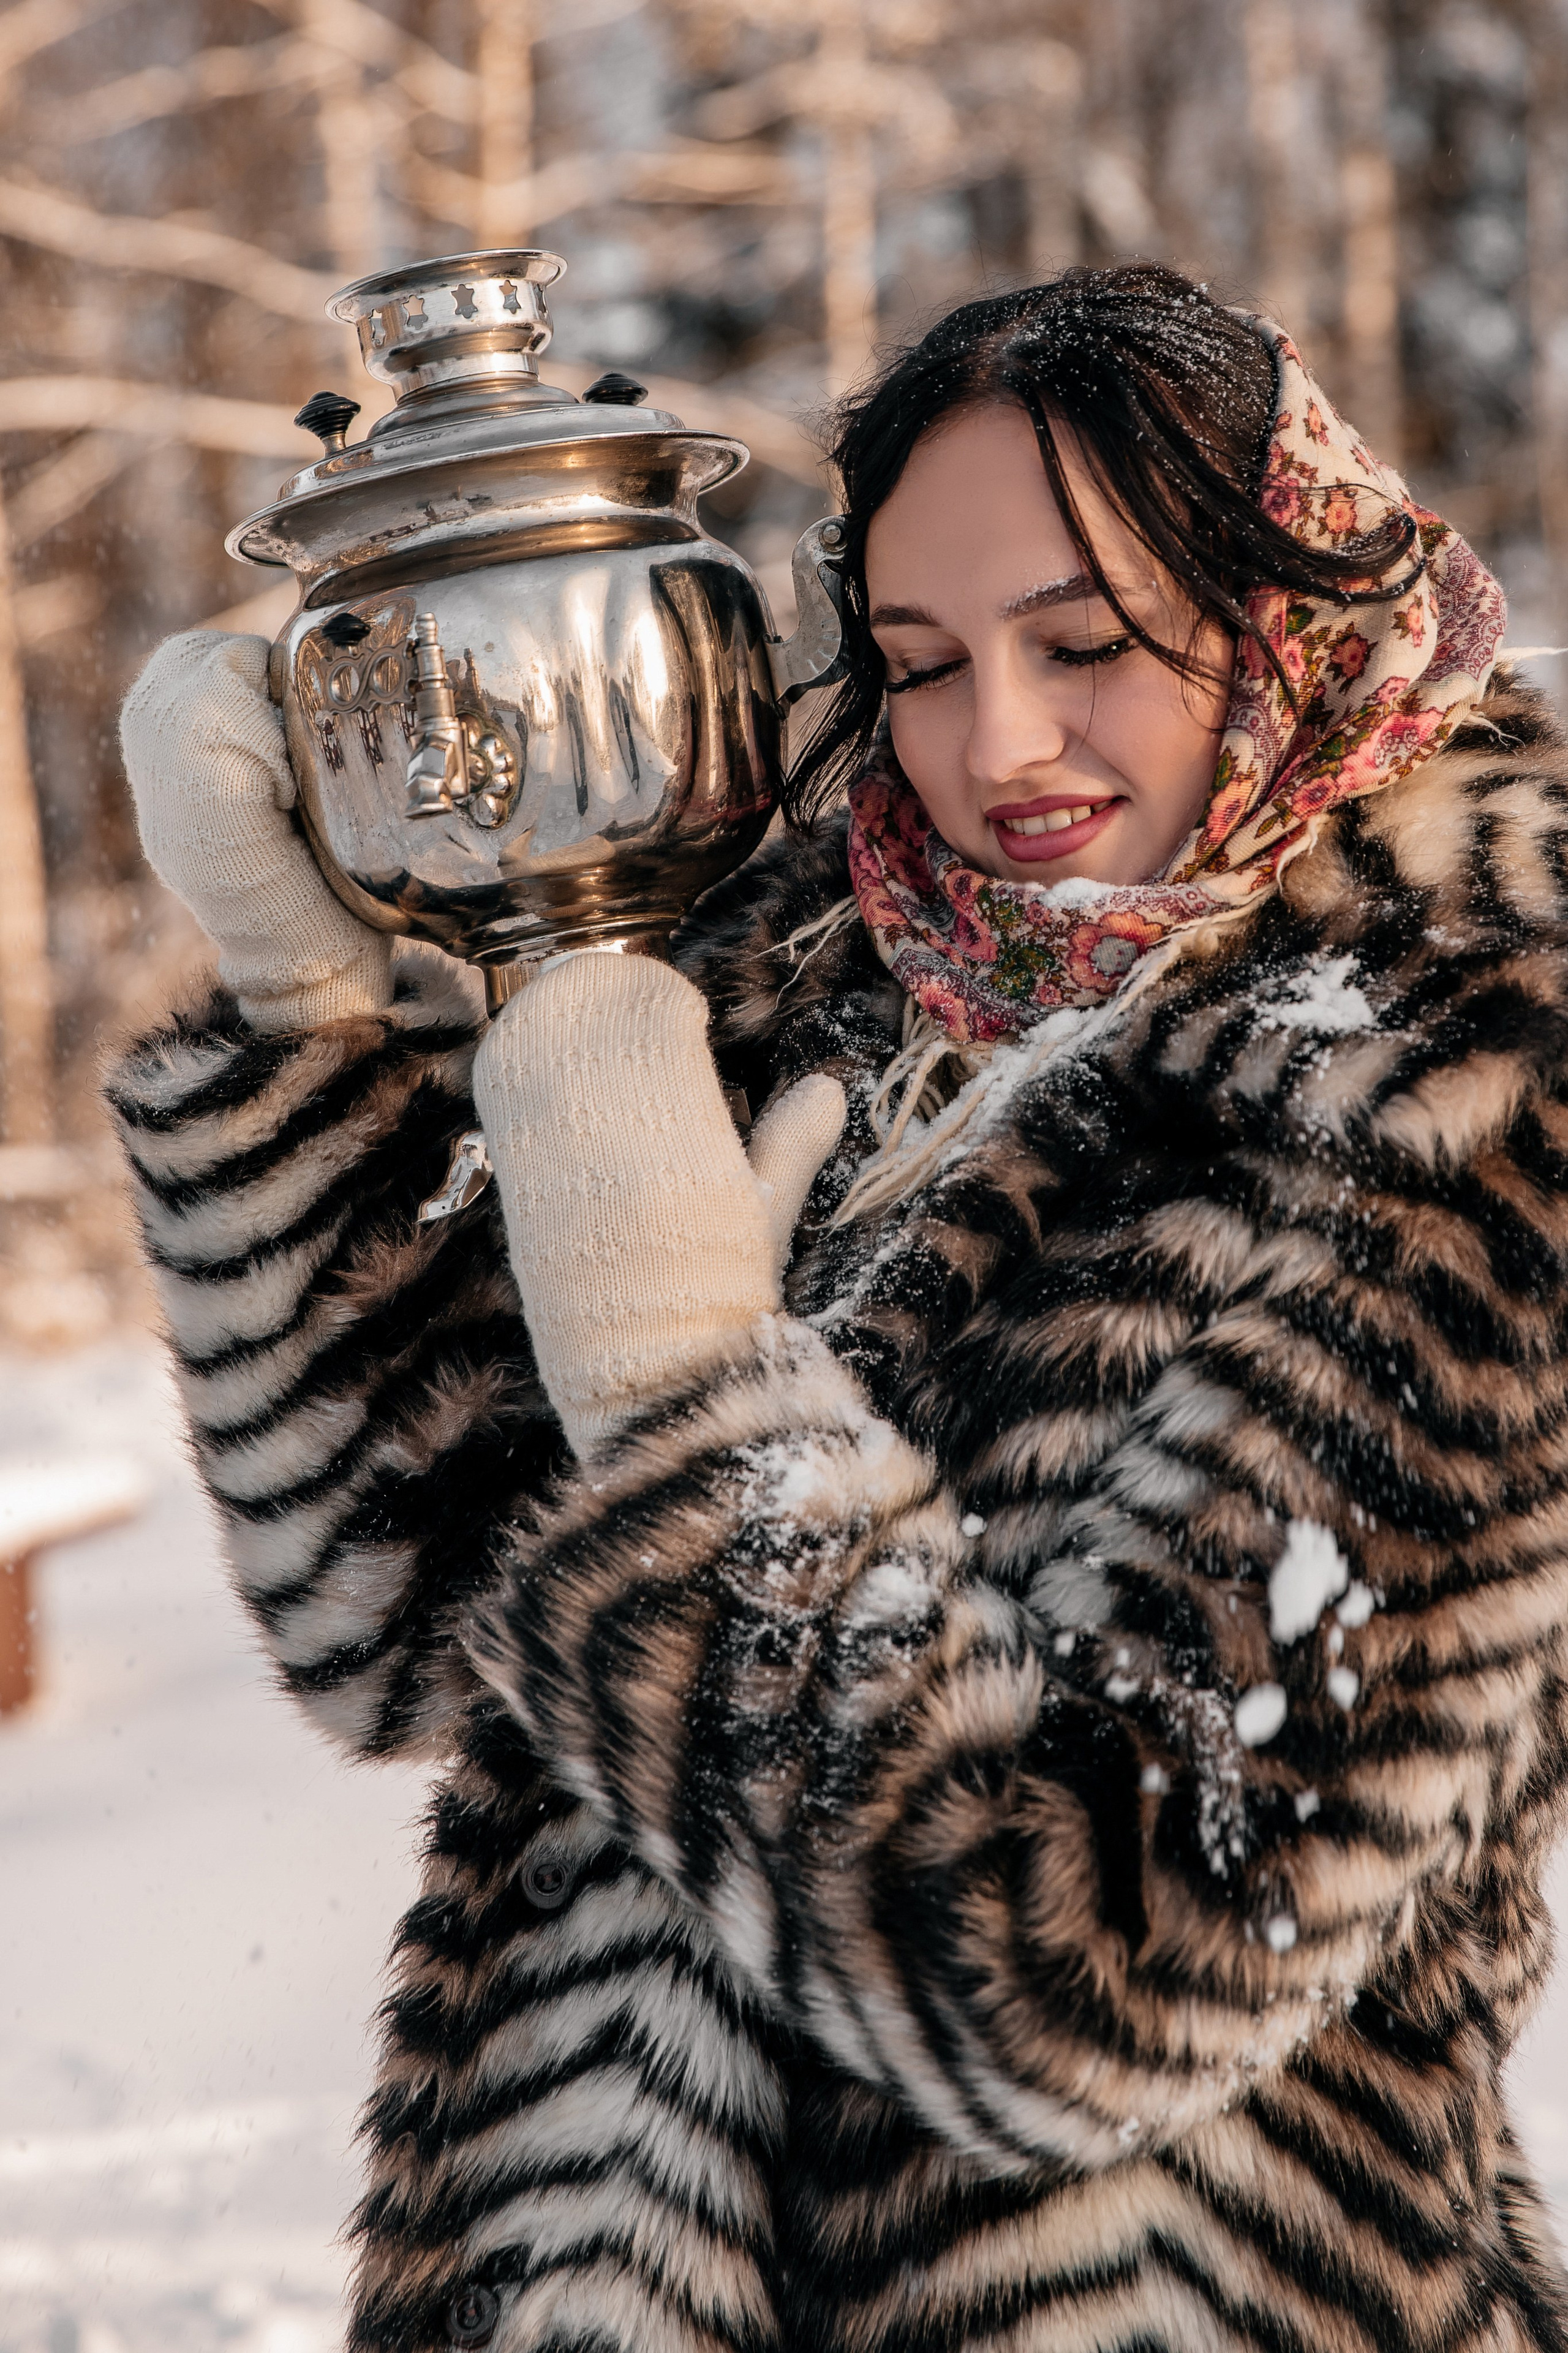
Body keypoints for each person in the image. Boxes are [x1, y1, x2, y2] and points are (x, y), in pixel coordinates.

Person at [108, 265, 1568, 2353]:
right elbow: (391, 1623)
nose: (1002, 743)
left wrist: (698, 1388)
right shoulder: (823, 993)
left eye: (1089, 644)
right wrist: (313, 1005)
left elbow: (1093, 1985)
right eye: (914, 660)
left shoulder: (1463, 1085)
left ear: (1288, 614)